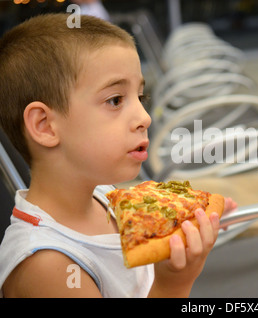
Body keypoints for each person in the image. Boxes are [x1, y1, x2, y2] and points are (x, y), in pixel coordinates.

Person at [0, 13, 236, 298]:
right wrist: (174, 284)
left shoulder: (102, 194)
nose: (144, 117)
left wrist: (184, 224)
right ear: (45, 126)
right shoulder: (47, 265)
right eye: (115, 100)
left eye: (141, 97)